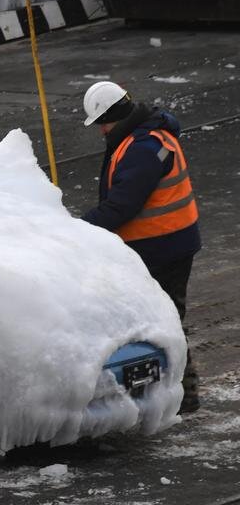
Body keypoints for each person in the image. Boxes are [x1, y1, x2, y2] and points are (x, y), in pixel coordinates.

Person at [80, 81, 201, 413]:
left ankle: (184, 394)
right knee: (167, 319)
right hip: (168, 243)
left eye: (102, 123)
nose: (101, 131)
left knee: (166, 322)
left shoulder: (143, 148)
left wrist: (77, 228)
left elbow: (122, 206)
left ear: (114, 117)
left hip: (163, 249)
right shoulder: (144, 135)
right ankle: (176, 390)